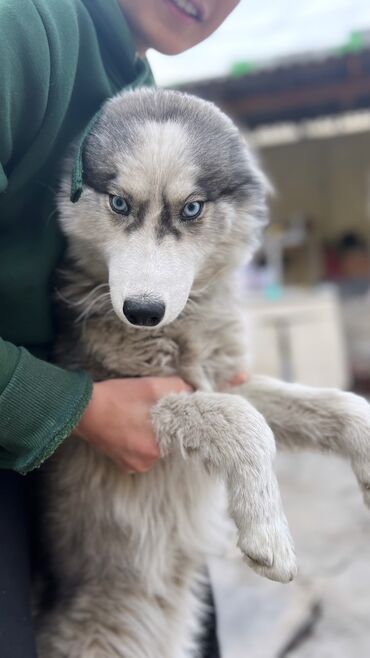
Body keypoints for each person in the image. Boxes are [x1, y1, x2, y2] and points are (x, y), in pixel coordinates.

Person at [0, 0, 241, 656]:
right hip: (35, 402)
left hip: (76, 408)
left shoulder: (145, 103)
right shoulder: (19, 29)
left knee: (177, 619)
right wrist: (78, 410)